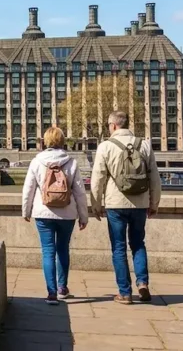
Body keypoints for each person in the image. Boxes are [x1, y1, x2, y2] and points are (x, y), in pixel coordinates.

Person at [91, 110, 161, 305]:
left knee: (119, 248)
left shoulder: (106, 146)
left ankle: (125, 292)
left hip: (115, 204)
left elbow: (98, 179)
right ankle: (142, 283)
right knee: (138, 244)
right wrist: (153, 203)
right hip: (140, 203)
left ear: (113, 126)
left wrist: (96, 205)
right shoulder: (144, 145)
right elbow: (155, 177)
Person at [22, 126, 89, 305]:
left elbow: (28, 189)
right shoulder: (71, 162)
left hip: (43, 212)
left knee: (48, 252)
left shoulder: (37, 161)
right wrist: (84, 216)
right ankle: (62, 288)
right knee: (63, 250)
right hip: (67, 213)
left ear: (45, 141)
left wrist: (26, 211)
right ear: (62, 141)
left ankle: (51, 293)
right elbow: (80, 192)